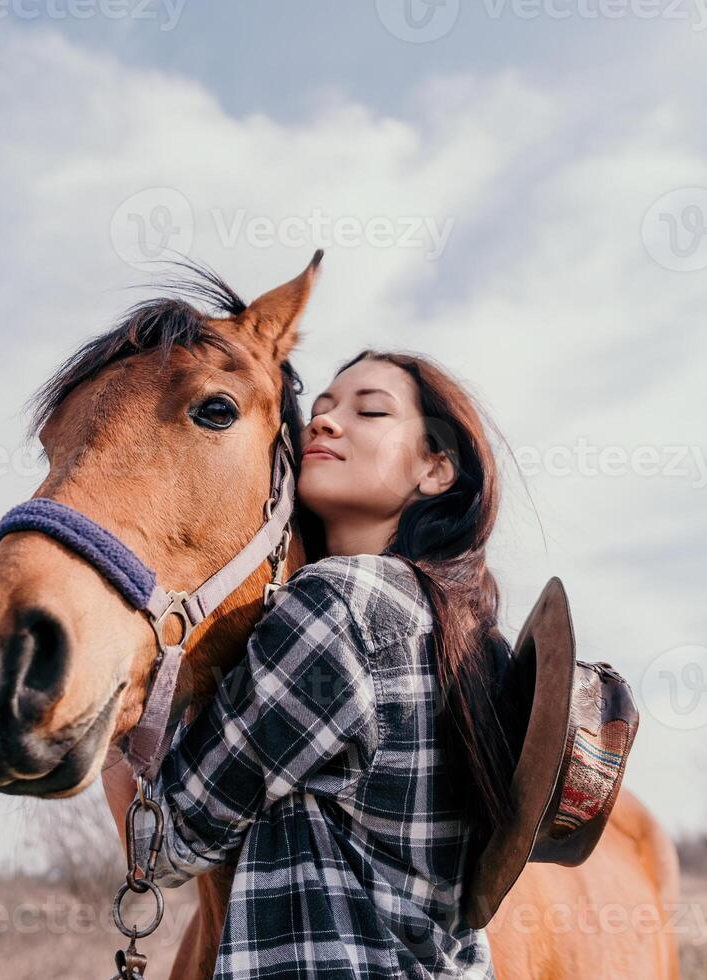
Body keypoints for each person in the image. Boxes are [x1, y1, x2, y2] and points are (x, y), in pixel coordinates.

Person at [102, 349, 516, 979]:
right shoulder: (462, 632)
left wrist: (109, 702)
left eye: (369, 410)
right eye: (319, 410)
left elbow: (160, 843)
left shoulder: (339, 602)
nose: (324, 423)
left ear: (436, 469)